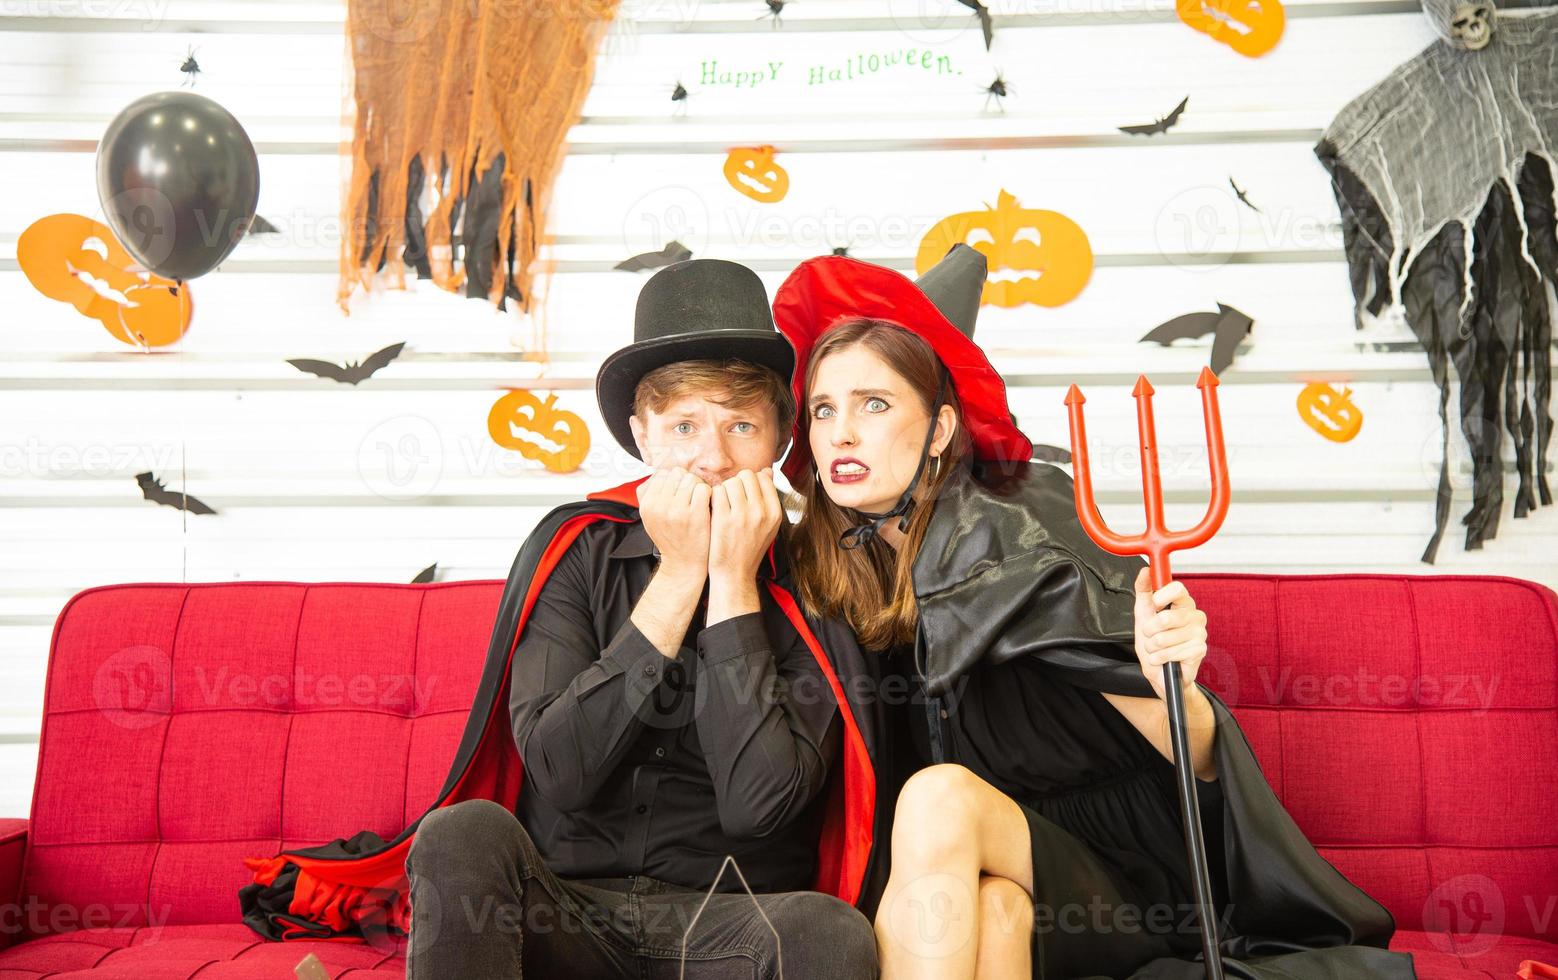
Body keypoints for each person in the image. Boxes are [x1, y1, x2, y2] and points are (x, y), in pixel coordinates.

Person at [769, 244, 1419, 979]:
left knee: (939, 798)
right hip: (988, 867)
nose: (841, 433)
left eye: (875, 404)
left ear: (941, 429)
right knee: (995, 916)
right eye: (823, 409)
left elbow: (1196, 756)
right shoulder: (820, 568)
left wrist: (1168, 674)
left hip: (1129, 872)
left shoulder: (1017, 525)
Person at [402, 258, 884, 978]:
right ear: (643, 436)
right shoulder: (577, 551)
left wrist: (729, 581)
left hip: (727, 924)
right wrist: (679, 575)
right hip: (564, 913)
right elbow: (560, 773)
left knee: (828, 933)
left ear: (781, 439)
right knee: (460, 835)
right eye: (684, 426)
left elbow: (760, 807)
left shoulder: (823, 577)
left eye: (740, 425)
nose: (712, 459)